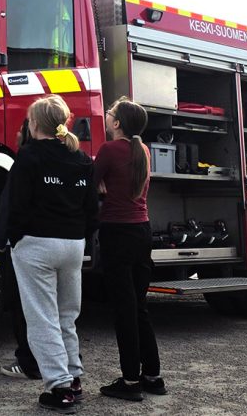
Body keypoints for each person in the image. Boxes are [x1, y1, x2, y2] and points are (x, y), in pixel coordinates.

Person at [5, 95, 97, 412]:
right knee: (66, 315)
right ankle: (74, 378)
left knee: (42, 318)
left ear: (33, 124)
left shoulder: (28, 158)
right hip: (73, 244)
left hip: (37, 244)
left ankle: (59, 387)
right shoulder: (83, 160)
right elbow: (92, 209)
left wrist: (13, 238)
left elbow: (15, 205)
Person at [93, 97, 167, 401]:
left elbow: (89, 183)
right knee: (138, 306)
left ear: (118, 123)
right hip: (141, 231)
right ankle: (153, 376)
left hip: (117, 233)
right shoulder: (143, 151)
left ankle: (130, 381)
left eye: (110, 114)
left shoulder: (109, 150)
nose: (107, 117)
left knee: (123, 309)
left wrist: (99, 189)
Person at [0, 118, 40, 382]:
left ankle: (28, 362)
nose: (17, 132)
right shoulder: (71, 157)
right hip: (60, 244)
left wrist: (2, 239)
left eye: (21, 128)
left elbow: (11, 206)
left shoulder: (24, 160)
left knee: (22, 306)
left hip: (26, 247)